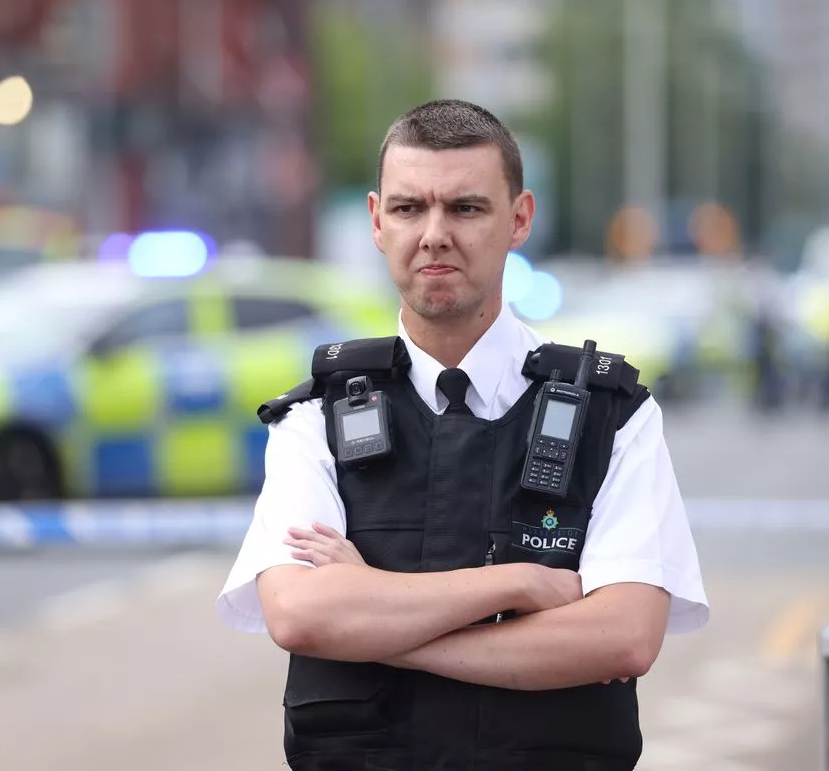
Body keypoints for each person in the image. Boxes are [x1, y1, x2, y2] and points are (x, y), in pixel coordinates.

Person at [217, 99, 709, 771]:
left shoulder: (611, 414)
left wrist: (376, 623)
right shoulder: (315, 418)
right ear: (376, 221)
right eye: (409, 208)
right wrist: (514, 585)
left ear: (520, 219)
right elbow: (303, 616)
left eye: (467, 208)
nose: (435, 233)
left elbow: (622, 637)